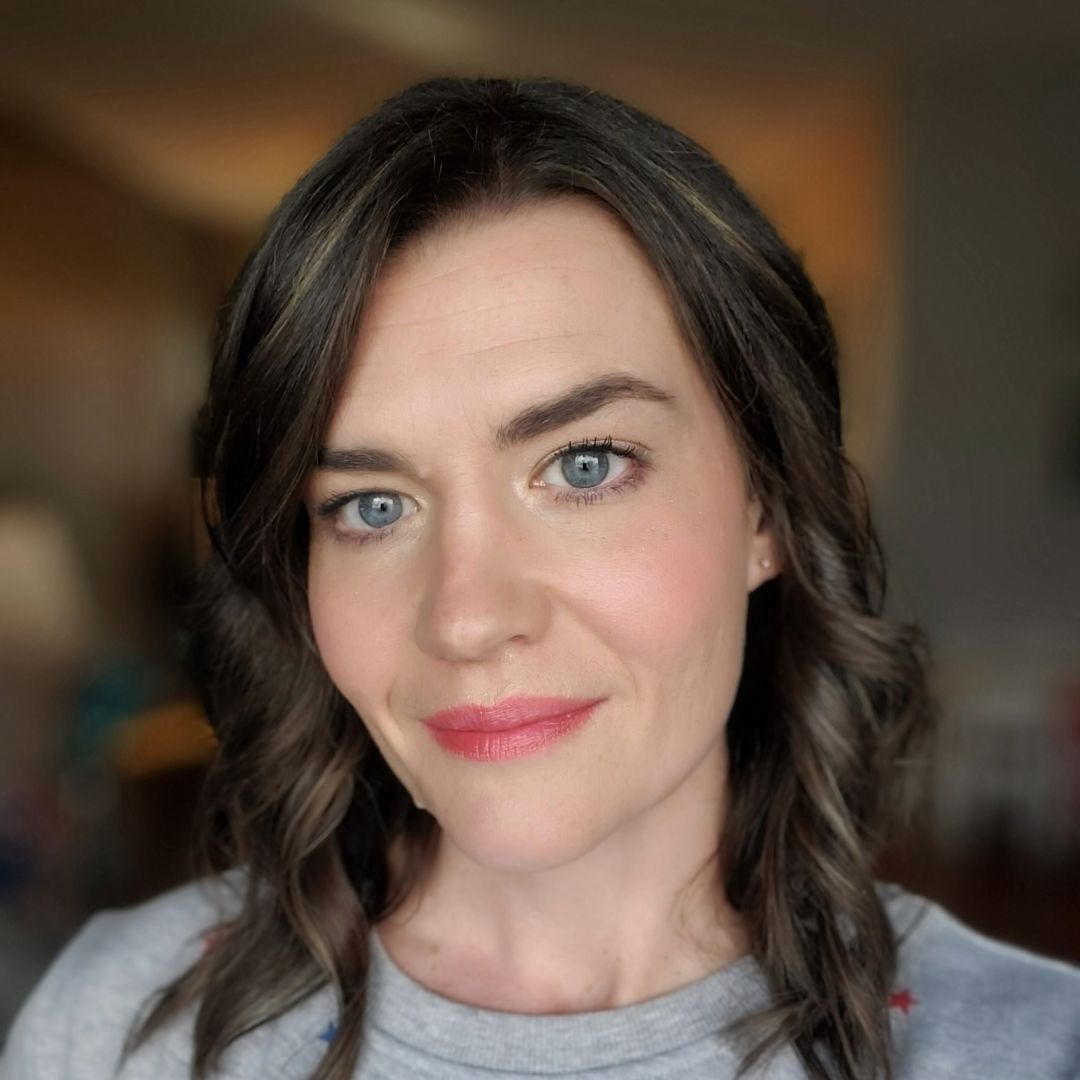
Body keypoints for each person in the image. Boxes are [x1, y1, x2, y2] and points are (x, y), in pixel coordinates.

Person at [2, 75, 1077, 1080]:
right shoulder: (124, 1026)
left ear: (768, 507)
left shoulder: (1028, 1048)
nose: (467, 616)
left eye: (584, 465)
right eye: (371, 507)